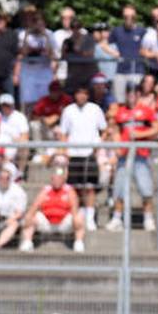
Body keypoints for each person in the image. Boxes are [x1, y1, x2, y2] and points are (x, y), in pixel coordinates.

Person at [107, 86, 158, 232]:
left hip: (141, 155)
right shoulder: (121, 111)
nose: (131, 96)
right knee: (120, 188)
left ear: (138, 95)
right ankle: (117, 218)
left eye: (134, 93)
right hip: (124, 156)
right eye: (128, 93)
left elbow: (157, 128)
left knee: (146, 188)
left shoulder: (146, 111)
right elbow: (115, 130)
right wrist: (117, 146)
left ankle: (148, 219)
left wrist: (140, 135)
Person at [55, 85, 108, 231]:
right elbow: (63, 133)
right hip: (73, 154)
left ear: (88, 95)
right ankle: (77, 216)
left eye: (84, 93)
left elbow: (104, 130)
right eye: (79, 93)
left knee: (89, 187)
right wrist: (64, 151)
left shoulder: (95, 109)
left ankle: (90, 219)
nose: (81, 96)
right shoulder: (68, 110)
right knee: (75, 188)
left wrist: (98, 145)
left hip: (89, 154)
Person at [19, 165, 85, 253]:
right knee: (30, 216)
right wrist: (29, 216)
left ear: (63, 179)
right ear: (51, 179)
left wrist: (75, 219)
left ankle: (78, 242)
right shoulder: (46, 190)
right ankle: (27, 242)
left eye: (59, 178)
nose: (57, 181)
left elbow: (74, 207)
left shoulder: (69, 190)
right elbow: (35, 205)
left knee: (79, 217)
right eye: (55, 179)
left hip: (63, 224)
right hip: (47, 223)